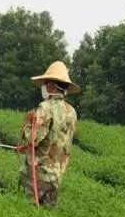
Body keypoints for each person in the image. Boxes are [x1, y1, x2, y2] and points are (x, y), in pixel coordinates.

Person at [17, 61, 79, 206]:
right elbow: (58, 141)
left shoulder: (45, 108)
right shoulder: (72, 112)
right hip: (55, 177)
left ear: (51, 86)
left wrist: (27, 123)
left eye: (45, 83)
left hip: (36, 176)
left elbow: (32, 139)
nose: (43, 87)